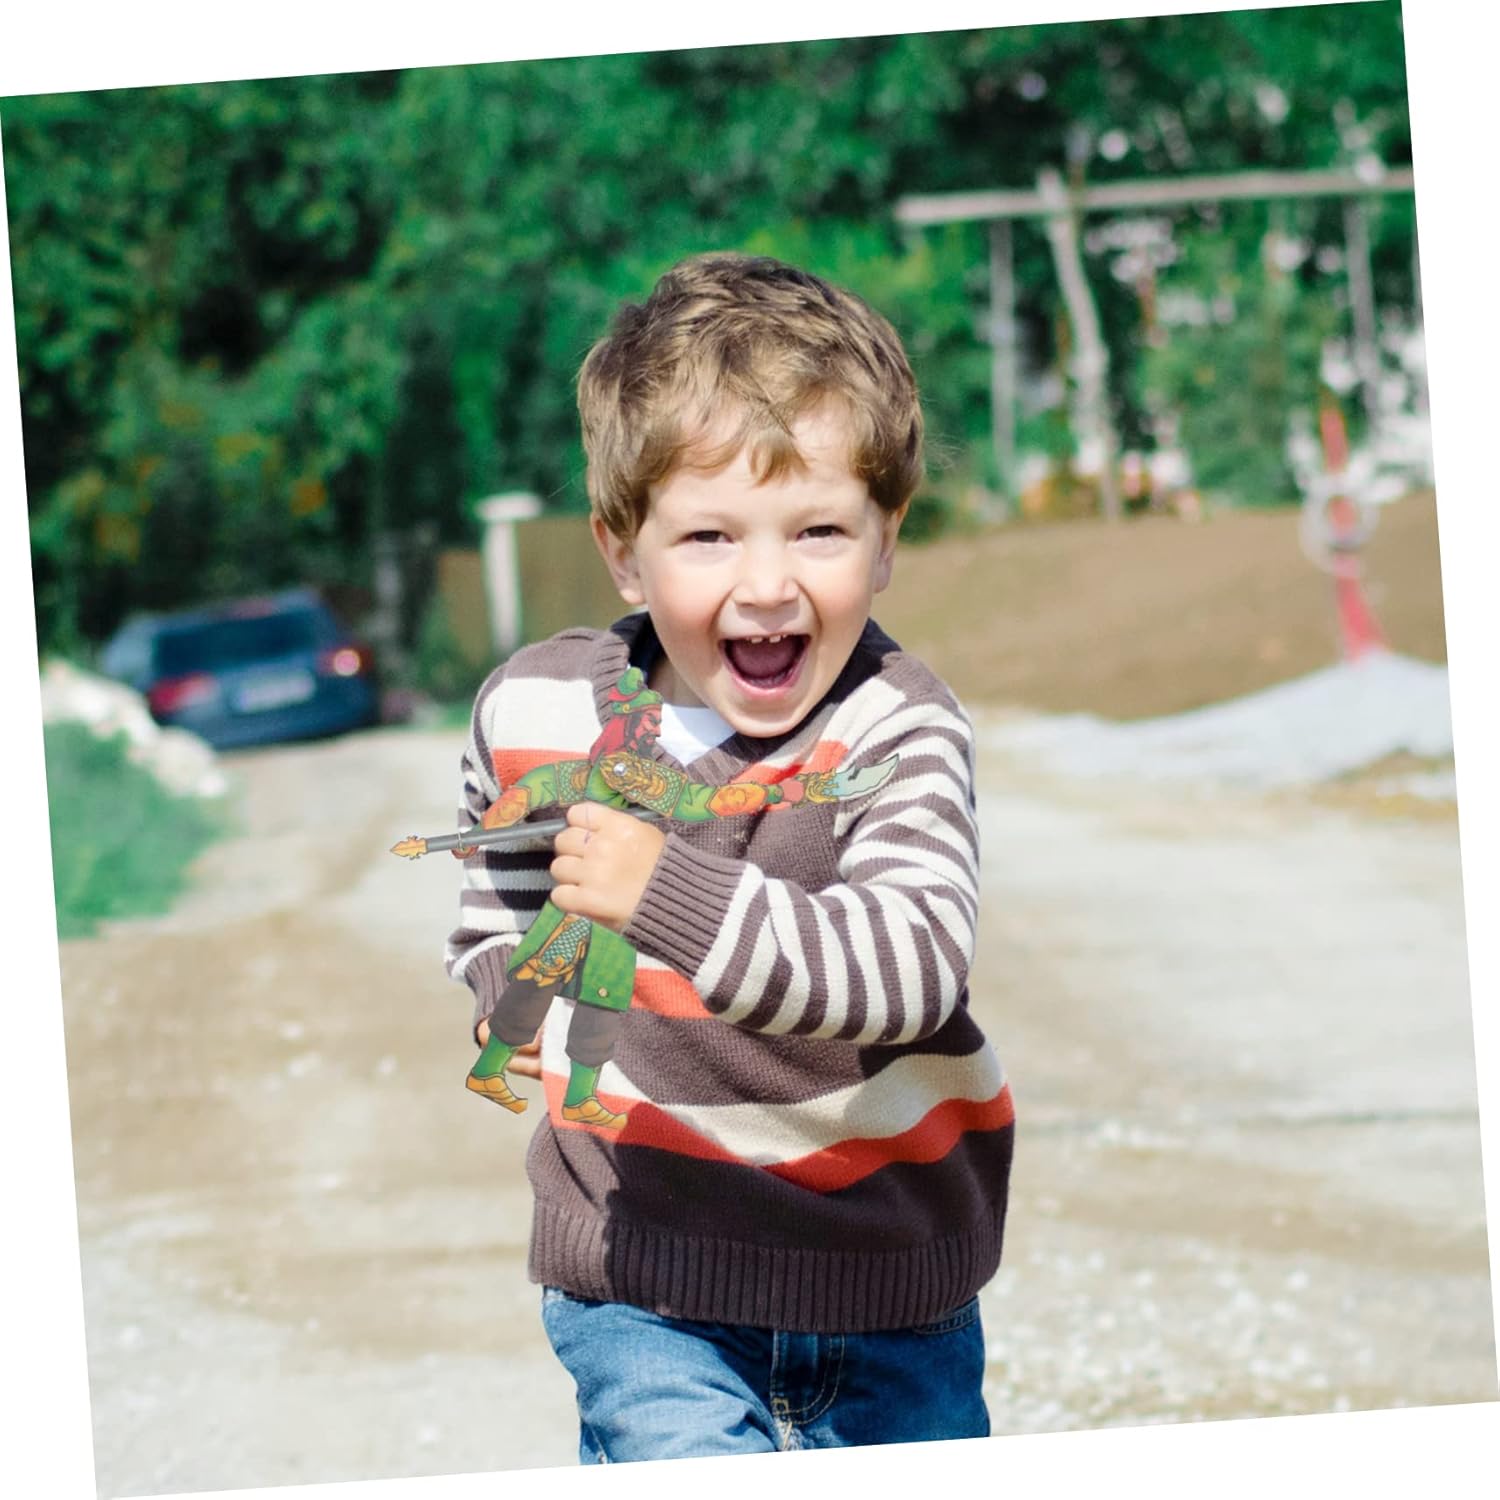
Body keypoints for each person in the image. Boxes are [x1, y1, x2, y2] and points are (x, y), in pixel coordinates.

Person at [445, 251, 1015, 1461]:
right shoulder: (539, 708)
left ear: (887, 538)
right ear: (622, 550)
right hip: (644, 1276)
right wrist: (511, 987)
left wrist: (665, 889)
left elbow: (911, 968)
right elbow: (496, 866)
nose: (766, 586)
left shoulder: (895, 733)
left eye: (819, 531)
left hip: (887, 1281)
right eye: (707, 536)